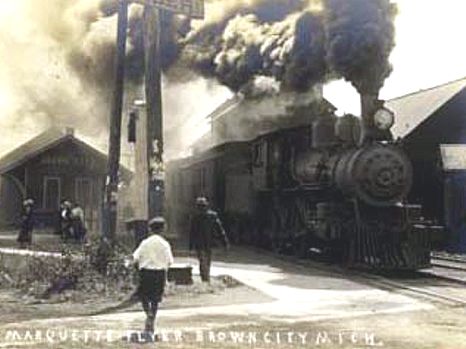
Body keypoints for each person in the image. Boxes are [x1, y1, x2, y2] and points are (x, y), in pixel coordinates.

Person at [132, 217, 174, 339]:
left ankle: (148, 313)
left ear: (150, 229)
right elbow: (170, 261)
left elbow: (135, 257)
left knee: (144, 296)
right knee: (156, 298)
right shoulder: (165, 244)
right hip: (159, 273)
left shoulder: (145, 243)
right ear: (163, 229)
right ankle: (152, 319)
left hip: (146, 272)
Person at [189, 197, 229, 283]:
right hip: (207, 242)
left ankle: (205, 278)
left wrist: (191, 246)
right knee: (205, 261)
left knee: (205, 261)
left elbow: (192, 232)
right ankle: (206, 279)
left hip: (204, 243)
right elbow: (220, 230)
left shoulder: (199, 217)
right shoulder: (210, 216)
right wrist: (224, 242)